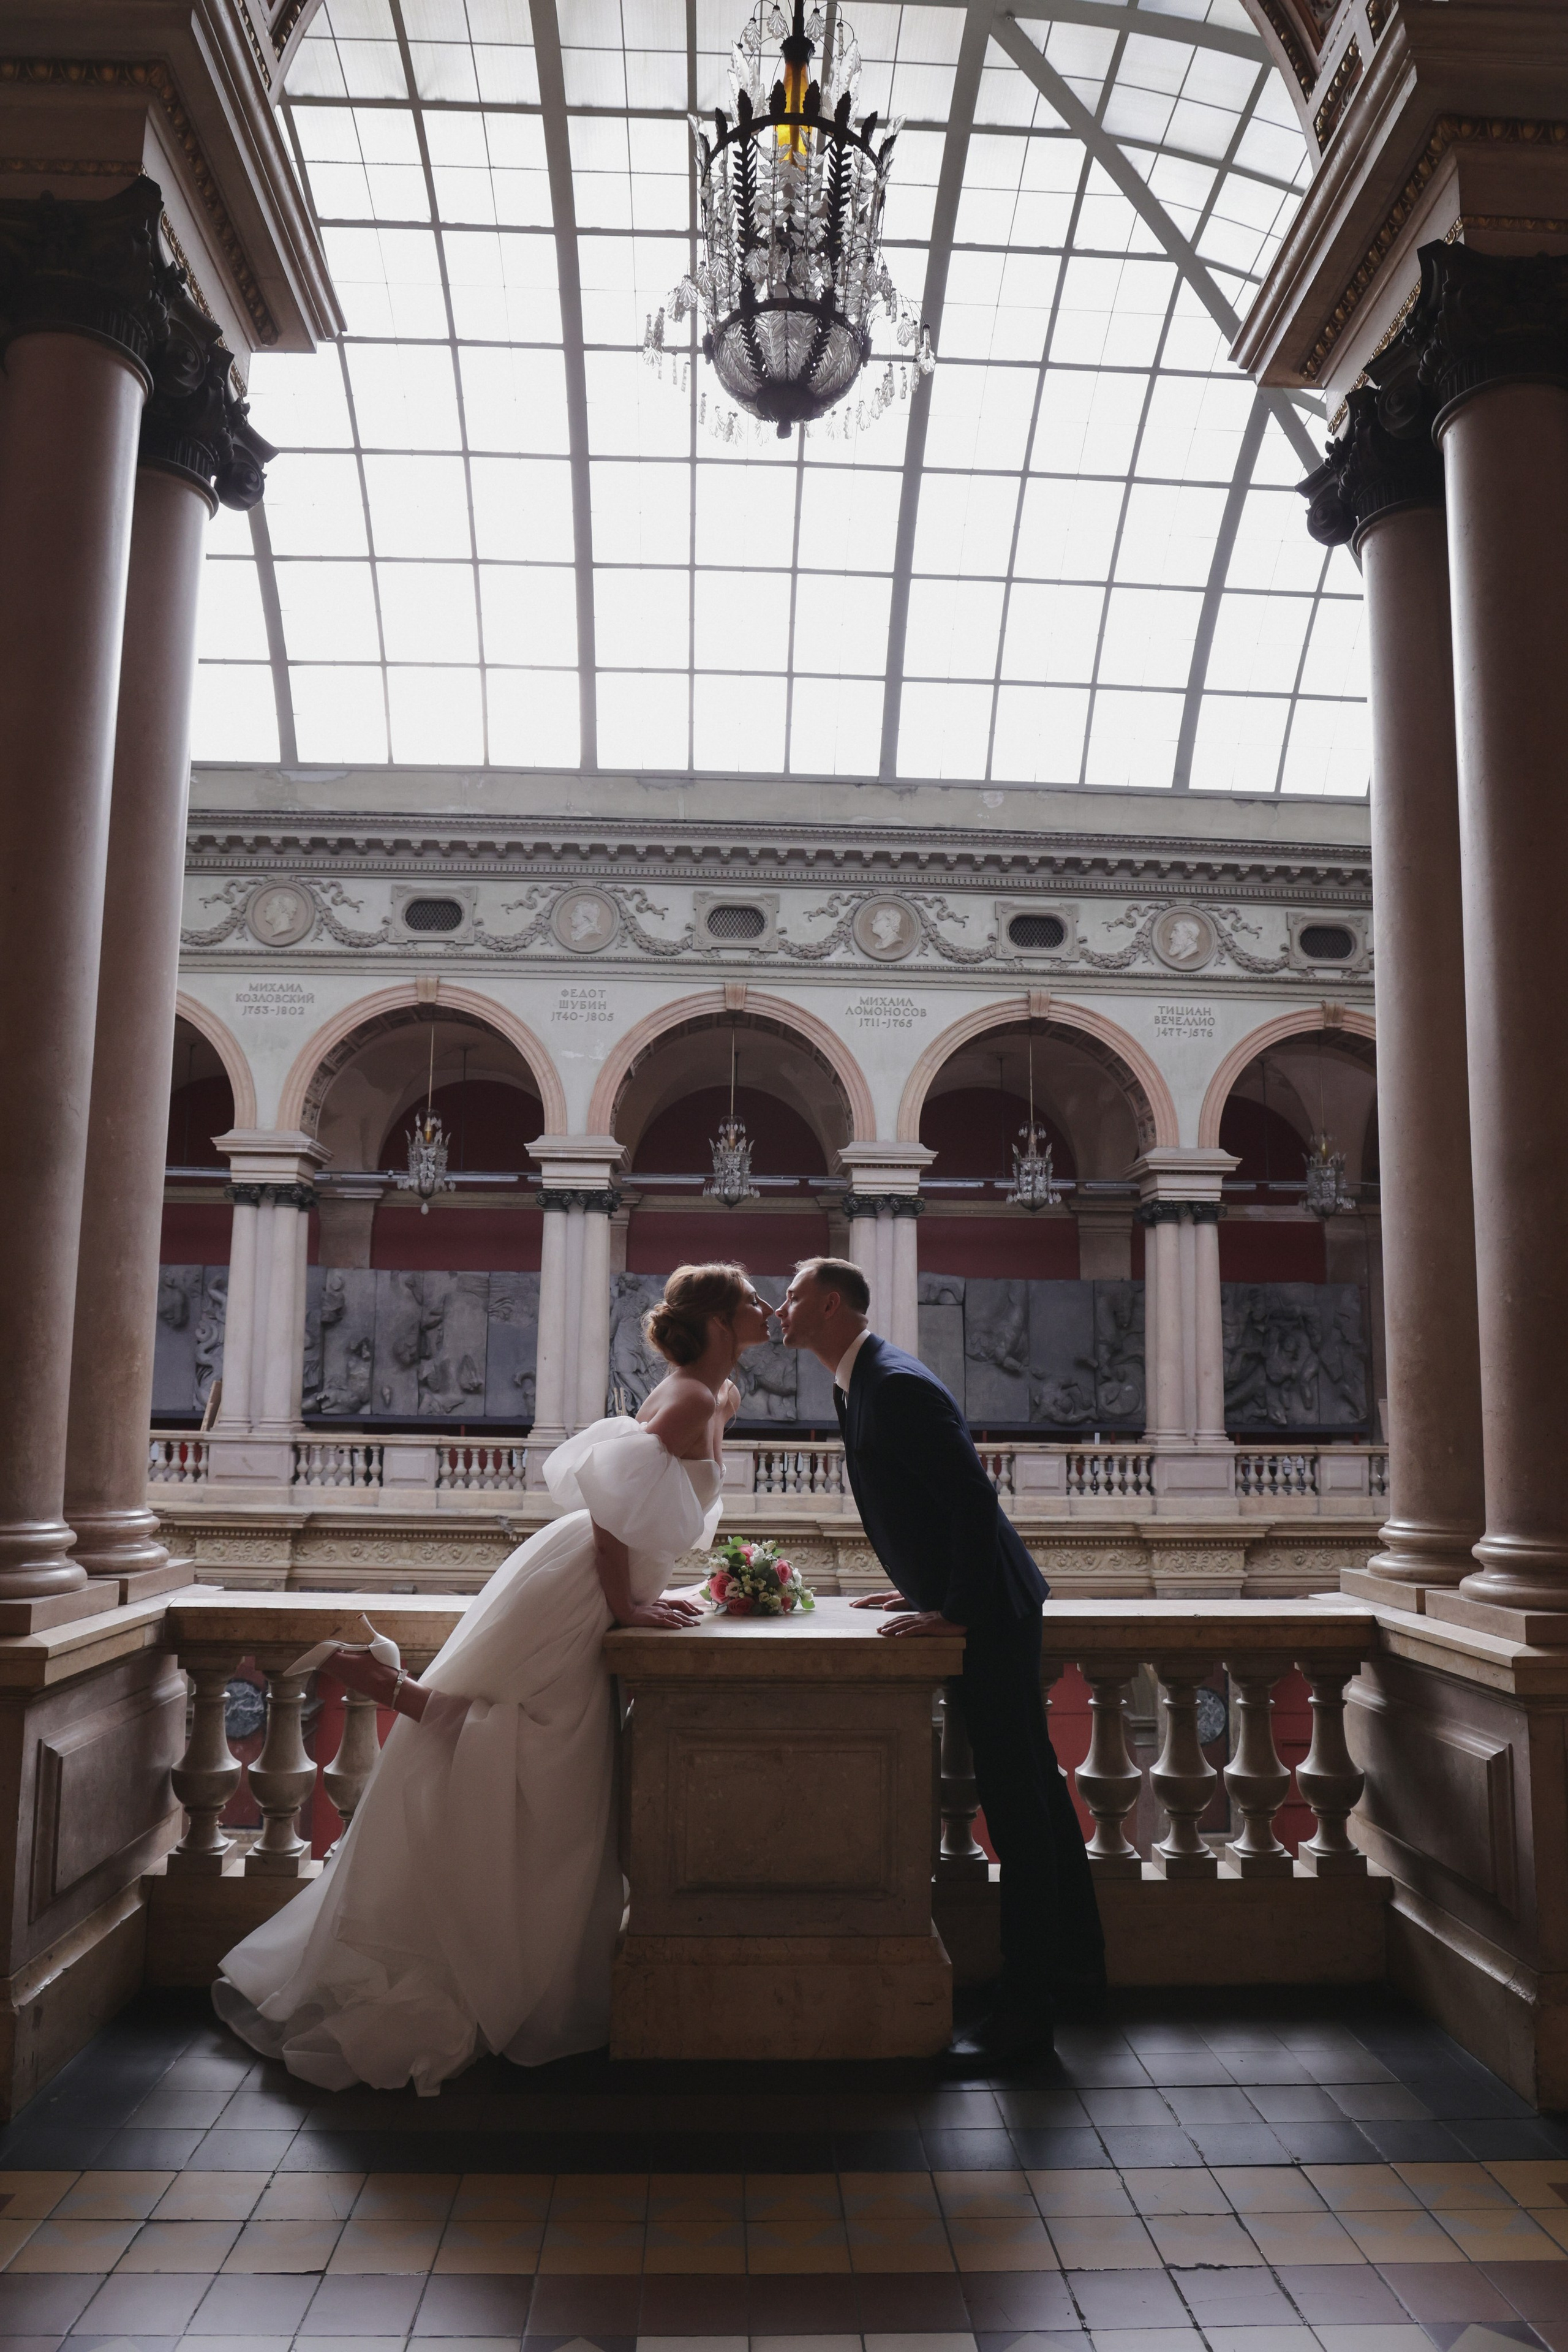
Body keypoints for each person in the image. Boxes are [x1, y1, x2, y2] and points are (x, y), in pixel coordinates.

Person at [212, 1264, 772, 2095]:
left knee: (526, 1735)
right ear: (722, 1322)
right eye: (752, 1301)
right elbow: (615, 1519)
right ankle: (388, 1689)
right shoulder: (692, 1397)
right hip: (587, 1583)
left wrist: (686, 1592)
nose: (766, 1309)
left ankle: (384, 1680)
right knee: (539, 1746)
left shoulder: (716, 1397)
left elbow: (649, 1518)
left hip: (602, 1578)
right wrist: (627, 1609)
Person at [777, 1255, 1104, 2066]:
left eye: (789, 1296)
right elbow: (926, 1504)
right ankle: (1075, 1971)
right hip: (980, 1607)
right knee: (1036, 1797)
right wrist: (924, 1591)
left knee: (1019, 1808)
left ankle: (1029, 2013)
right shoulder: (858, 1381)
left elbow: (971, 1500)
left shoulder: (893, 1383)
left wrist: (953, 1608)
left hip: (989, 1616)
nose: (778, 1308)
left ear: (826, 1305)